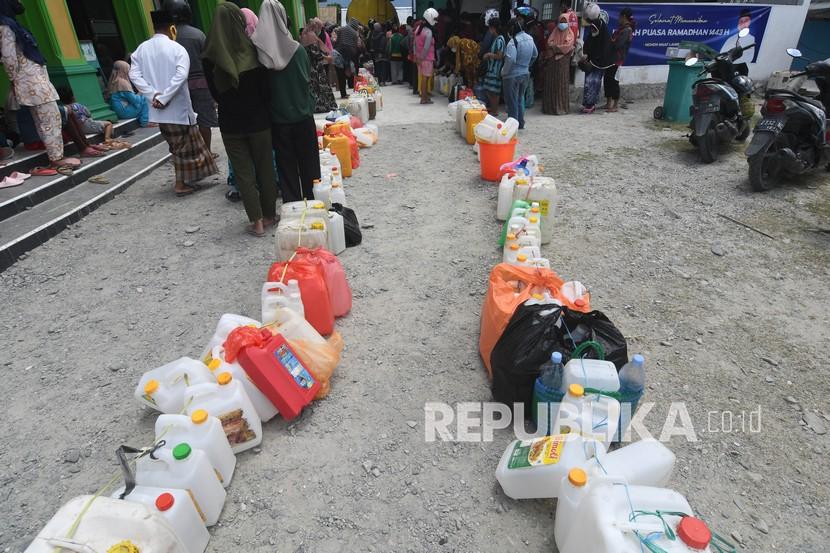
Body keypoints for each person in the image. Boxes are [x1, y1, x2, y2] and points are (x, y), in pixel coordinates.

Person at [203, 3, 276, 237]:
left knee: (243, 172)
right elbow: (267, 91)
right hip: (259, 121)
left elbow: (215, 94)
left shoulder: (209, 58)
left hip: (230, 123)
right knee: (265, 168)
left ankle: (255, 222)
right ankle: (269, 215)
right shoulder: (254, 49)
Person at [130, 10, 217, 197]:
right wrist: (165, 97)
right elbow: (181, 76)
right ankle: (180, 184)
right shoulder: (177, 49)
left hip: (158, 111)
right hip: (178, 108)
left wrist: (153, 95)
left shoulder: (141, 49)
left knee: (176, 145)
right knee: (183, 147)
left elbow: (134, 75)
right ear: (171, 28)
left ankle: (187, 178)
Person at [252, 0, 320, 203]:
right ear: (284, 18)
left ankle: (293, 206)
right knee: (310, 167)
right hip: (303, 117)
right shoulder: (298, 51)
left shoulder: (260, 55)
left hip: (279, 121)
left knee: (286, 168)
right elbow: (308, 81)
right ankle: (314, 203)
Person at [0, 0, 78, 169]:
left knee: (49, 117)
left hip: (34, 79)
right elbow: (9, 59)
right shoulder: (5, 27)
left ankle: (56, 157)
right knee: (49, 118)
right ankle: (56, 158)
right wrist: (14, 80)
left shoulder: (10, 25)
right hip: (30, 82)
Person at [163, 0, 219, 156]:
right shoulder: (197, 34)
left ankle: (189, 154)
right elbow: (209, 60)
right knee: (204, 122)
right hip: (201, 84)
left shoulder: (167, 37)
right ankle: (206, 152)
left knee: (184, 123)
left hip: (176, 86)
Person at [502, 19, 537, 129]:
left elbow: (511, 59)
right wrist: (527, 65)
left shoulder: (513, 42)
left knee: (511, 101)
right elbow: (535, 55)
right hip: (525, 73)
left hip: (512, 76)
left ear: (512, 28)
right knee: (519, 99)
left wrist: (504, 72)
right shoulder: (530, 39)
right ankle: (520, 123)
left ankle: (513, 126)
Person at [580, 2, 613, 114]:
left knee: (593, 82)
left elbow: (598, 46)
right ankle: (588, 103)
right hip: (594, 59)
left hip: (599, 60)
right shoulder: (598, 25)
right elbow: (591, 42)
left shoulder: (597, 25)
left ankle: (591, 104)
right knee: (589, 82)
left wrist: (592, 59)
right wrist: (587, 55)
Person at [301, 18, 337, 113]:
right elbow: (316, 54)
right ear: (315, 26)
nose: (320, 30)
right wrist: (327, 58)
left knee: (315, 88)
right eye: (320, 28)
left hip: (310, 66)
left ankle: (319, 106)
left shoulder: (305, 34)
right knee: (319, 87)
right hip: (315, 68)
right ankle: (321, 107)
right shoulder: (310, 35)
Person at [542, 14, 574, 115]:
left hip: (563, 64)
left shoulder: (570, 33)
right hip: (553, 63)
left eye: (565, 22)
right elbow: (549, 43)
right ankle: (550, 108)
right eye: (561, 22)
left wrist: (555, 48)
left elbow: (568, 46)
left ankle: (561, 108)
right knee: (552, 83)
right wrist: (558, 48)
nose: (563, 24)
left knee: (561, 83)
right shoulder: (554, 32)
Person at [606, 6, 634, 112]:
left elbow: (618, 44)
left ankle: (615, 105)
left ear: (624, 17)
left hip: (618, 59)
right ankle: (608, 102)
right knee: (608, 79)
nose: (618, 19)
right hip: (611, 58)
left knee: (614, 81)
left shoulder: (627, 30)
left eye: (620, 17)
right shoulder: (621, 29)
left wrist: (611, 41)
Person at [106, 60, 151, 127]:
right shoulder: (122, 82)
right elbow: (135, 100)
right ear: (123, 70)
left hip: (117, 110)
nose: (129, 72)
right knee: (144, 98)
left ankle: (142, 118)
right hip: (124, 112)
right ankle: (145, 122)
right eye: (128, 69)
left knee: (139, 102)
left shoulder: (113, 81)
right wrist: (142, 90)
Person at [480, 17, 505, 116]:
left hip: (496, 69)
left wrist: (489, 55)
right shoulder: (497, 39)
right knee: (489, 89)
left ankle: (495, 110)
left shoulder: (499, 39)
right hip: (492, 68)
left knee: (494, 91)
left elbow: (500, 56)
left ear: (493, 28)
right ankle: (493, 108)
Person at [720, 9, 755, 74]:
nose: (743, 23)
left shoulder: (751, 38)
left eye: (746, 21)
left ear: (749, 22)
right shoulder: (731, 38)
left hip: (740, 68)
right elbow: (721, 53)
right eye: (741, 21)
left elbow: (749, 57)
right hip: (727, 67)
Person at [415, 8, 438, 105]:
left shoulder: (418, 29)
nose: (436, 21)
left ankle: (425, 97)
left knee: (423, 78)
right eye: (435, 19)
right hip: (426, 59)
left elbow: (414, 44)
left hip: (420, 58)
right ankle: (424, 98)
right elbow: (426, 48)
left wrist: (417, 57)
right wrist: (421, 58)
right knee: (425, 78)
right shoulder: (428, 32)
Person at [333, 18, 360, 99]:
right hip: (347, 55)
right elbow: (354, 47)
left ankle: (343, 93)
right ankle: (344, 93)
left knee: (340, 75)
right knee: (345, 74)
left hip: (337, 53)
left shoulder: (341, 29)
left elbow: (337, 41)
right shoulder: (354, 33)